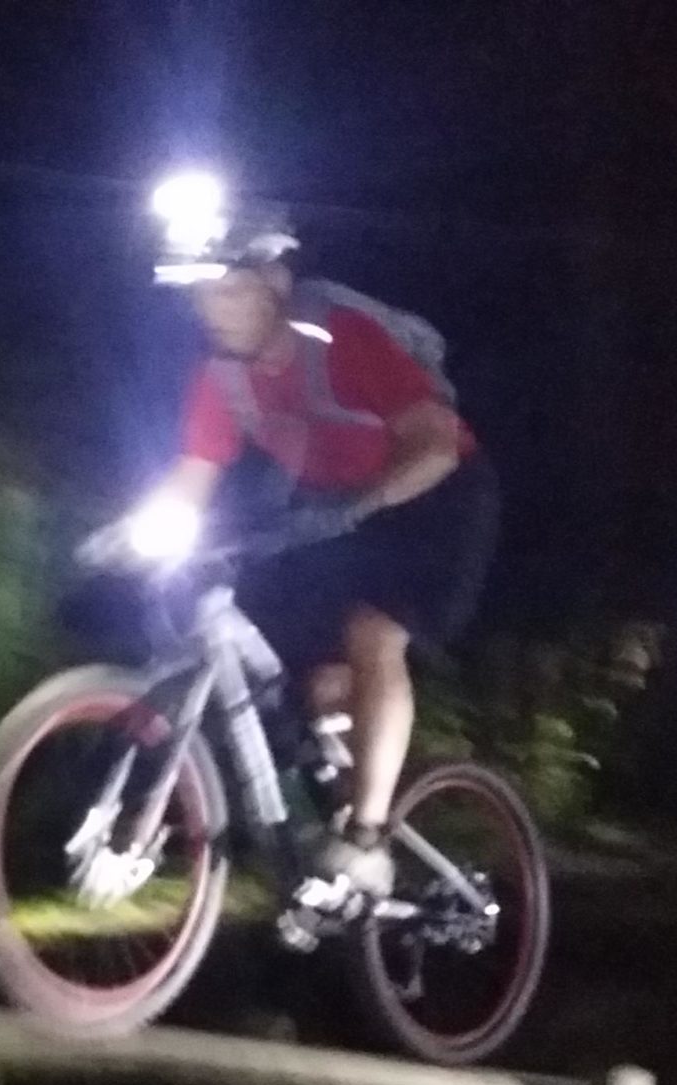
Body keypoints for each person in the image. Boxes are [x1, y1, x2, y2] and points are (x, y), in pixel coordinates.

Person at [149, 219, 499, 895]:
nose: (211, 312)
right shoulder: (220, 377)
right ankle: (352, 828)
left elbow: (432, 443)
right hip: (335, 514)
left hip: (440, 496)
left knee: (374, 635)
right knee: (311, 682)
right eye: (199, 297)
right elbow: (192, 476)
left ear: (274, 282)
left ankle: (367, 839)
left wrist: (361, 506)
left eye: (228, 291)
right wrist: (131, 533)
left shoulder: (340, 331)